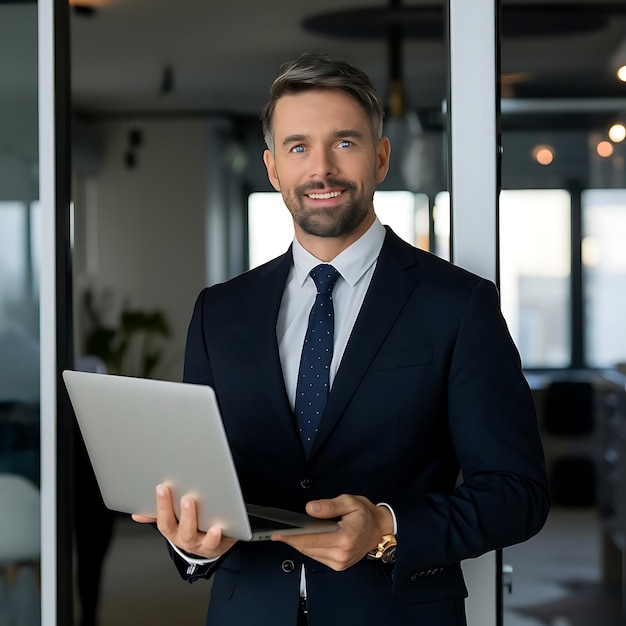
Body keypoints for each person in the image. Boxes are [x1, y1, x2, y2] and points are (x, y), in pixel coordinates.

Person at [133, 52, 550, 626]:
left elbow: (517, 492)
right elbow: (203, 477)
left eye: (345, 143)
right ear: (273, 168)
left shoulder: (457, 304)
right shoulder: (219, 312)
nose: (321, 168)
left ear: (380, 158)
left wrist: (388, 527)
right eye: (298, 147)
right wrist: (190, 542)